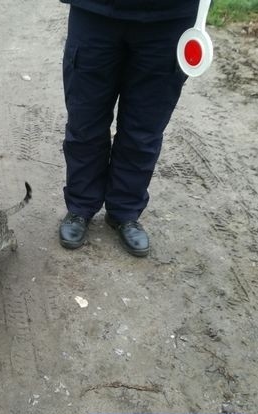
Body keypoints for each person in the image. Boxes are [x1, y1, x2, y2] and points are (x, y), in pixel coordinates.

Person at [58, 0, 200, 257]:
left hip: (170, 19)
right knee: (85, 121)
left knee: (144, 129)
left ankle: (124, 211)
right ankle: (81, 205)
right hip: (94, 12)